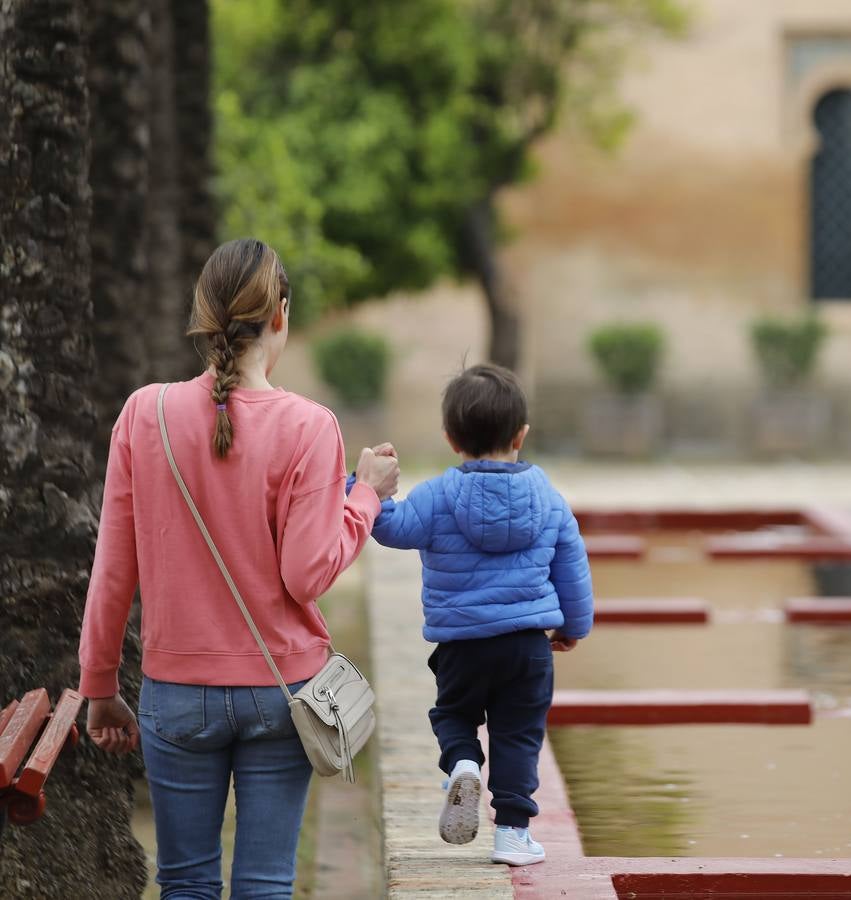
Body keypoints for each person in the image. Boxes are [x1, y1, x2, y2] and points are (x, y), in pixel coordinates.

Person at [77, 238, 400, 899]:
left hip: (175, 694)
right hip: (281, 693)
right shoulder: (310, 427)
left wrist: (100, 684)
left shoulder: (145, 414)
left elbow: (114, 564)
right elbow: (307, 575)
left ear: (202, 315)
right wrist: (364, 494)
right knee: (264, 885)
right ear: (281, 313)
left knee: (187, 883)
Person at [355, 363, 593, 866]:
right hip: (528, 646)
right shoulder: (548, 498)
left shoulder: (438, 496)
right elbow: (572, 567)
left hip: (461, 644)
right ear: (521, 435)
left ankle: (462, 761)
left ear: (450, 439)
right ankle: (511, 833)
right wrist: (573, 626)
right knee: (518, 734)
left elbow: (391, 529)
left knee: (454, 714)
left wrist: (367, 485)